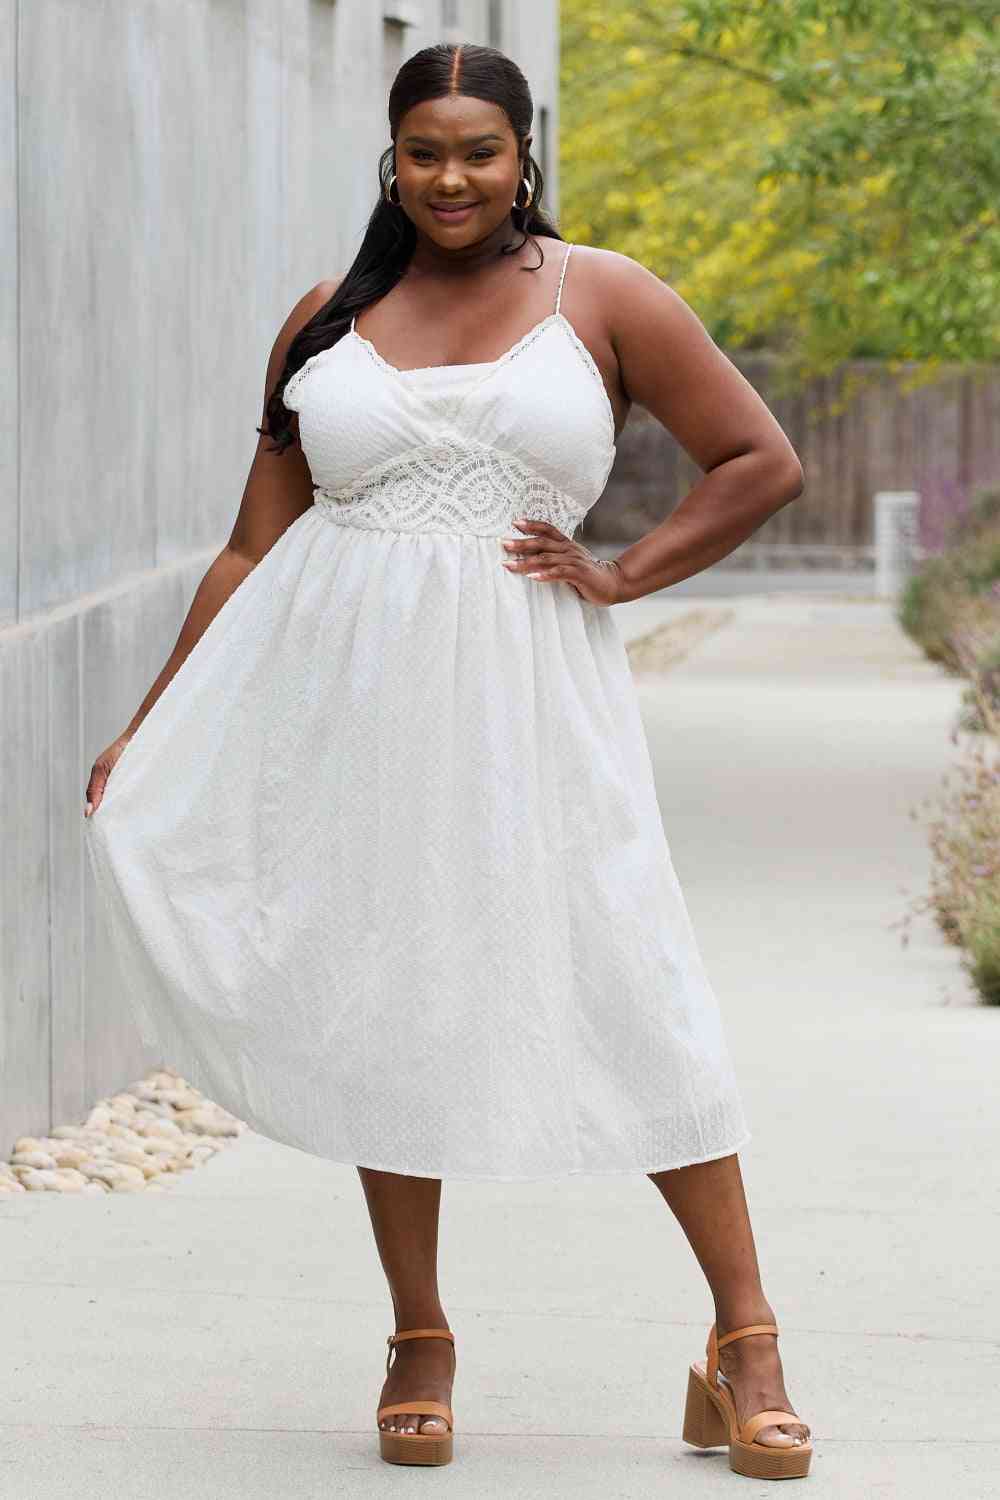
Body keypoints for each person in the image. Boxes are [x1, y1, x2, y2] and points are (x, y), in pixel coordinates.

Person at [84, 41, 811, 1479]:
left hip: (536, 704)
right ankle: (419, 1337)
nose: (453, 177)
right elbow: (250, 544)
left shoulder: (603, 295)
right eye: (426, 151)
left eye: (480, 150)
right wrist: (149, 718)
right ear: (393, 158)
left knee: (634, 984)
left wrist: (625, 574)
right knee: (387, 996)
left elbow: (759, 460)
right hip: (349, 712)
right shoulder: (326, 320)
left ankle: (748, 1341)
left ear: (523, 154)